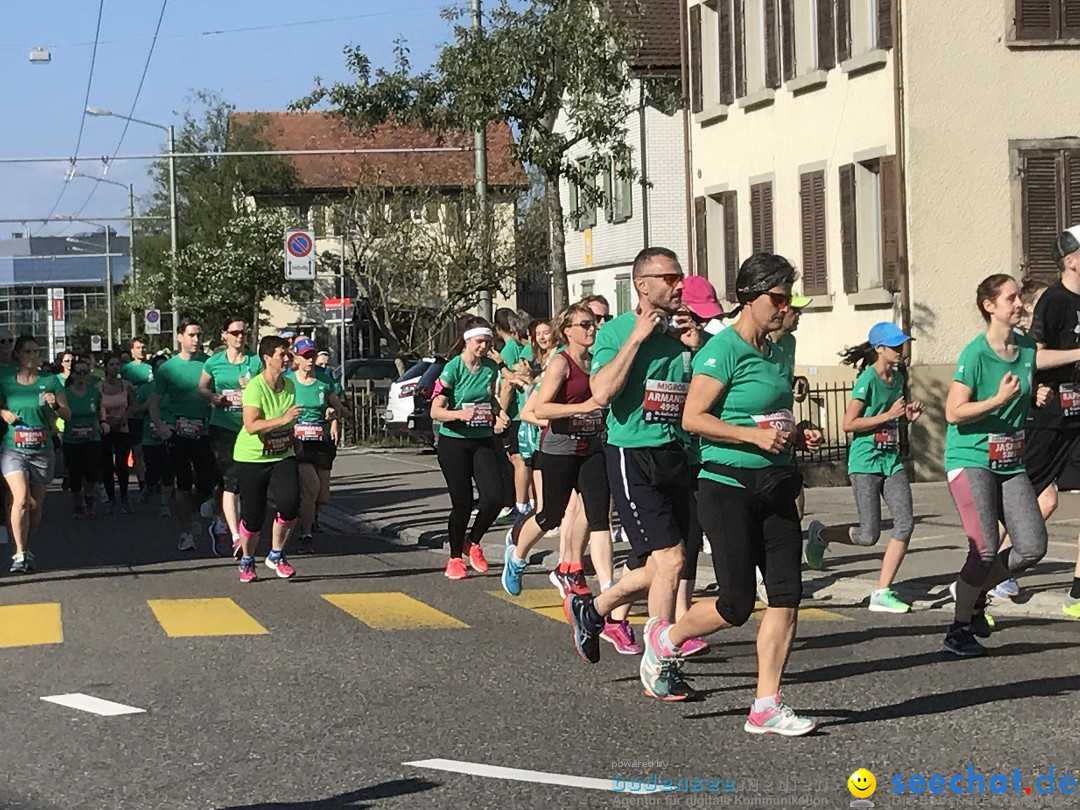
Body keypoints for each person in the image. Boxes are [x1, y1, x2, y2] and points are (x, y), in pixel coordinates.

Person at [654, 253, 822, 733]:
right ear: (749, 298)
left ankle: (766, 705)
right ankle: (666, 641)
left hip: (775, 482)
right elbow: (694, 418)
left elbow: (769, 412)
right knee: (735, 605)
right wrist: (752, 438)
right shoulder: (721, 351)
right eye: (779, 297)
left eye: (788, 297)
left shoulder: (781, 347)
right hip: (726, 486)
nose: (786, 307)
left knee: (787, 595)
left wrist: (796, 429)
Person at [565, 247, 703, 694]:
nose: (679, 285)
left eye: (681, 276)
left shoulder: (687, 332)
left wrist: (696, 349)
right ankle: (660, 664)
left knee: (668, 567)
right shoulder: (618, 332)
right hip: (631, 452)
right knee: (671, 559)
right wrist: (638, 338)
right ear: (642, 284)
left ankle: (593, 608)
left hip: (676, 454)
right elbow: (602, 393)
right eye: (670, 277)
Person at [942, 274, 1050, 653]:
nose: (1019, 304)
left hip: (1009, 460)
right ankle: (958, 629)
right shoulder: (975, 353)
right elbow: (954, 412)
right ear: (990, 306)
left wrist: (1034, 393)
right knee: (985, 549)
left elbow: (1025, 378)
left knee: (1033, 547)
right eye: (1010, 299)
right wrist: (998, 400)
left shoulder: (1025, 346)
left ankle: (971, 592)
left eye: (1019, 297)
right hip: (970, 457)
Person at [803, 323, 922, 612]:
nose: (900, 351)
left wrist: (906, 416)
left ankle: (882, 591)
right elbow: (849, 423)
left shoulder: (897, 377)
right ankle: (820, 534)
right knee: (869, 535)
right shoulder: (866, 380)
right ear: (879, 349)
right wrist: (888, 415)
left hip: (890, 460)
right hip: (865, 462)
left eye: (902, 345)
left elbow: (891, 417)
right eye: (895, 346)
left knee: (905, 523)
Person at [501, 304, 609, 602]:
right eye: (584, 324)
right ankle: (517, 555)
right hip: (559, 448)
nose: (592, 329)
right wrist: (582, 408)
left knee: (597, 513)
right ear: (567, 331)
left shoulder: (597, 360)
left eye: (594, 324)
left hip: (592, 446)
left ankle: (588, 578)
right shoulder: (561, 364)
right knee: (551, 515)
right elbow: (540, 408)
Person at [1024, 225, 1080, 619]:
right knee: (1036, 501)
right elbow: (1035, 359)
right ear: (1072, 260)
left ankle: (1077, 592)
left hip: (1079, 419)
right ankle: (994, 569)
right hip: (1049, 418)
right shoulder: (1055, 301)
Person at [429, 316, 509, 579]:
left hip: (482, 439)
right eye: (479, 342)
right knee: (462, 502)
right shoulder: (452, 369)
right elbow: (435, 411)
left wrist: (498, 413)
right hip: (454, 442)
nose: (484, 347)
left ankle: (473, 541)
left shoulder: (489, 368)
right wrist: (458, 415)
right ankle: (454, 557)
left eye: (487, 342)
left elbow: (489, 400)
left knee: (495, 497)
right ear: (467, 341)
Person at [232, 335, 302, 583]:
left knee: (290, 502)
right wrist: (281, 421)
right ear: (266, 358)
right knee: (253, 516)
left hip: (282, 453)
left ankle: (276, 554)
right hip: (251, 457)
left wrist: (292, 432)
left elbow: (289, 421)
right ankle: (248, 559)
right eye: (281, 354)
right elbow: (251, 425)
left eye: (288, 354)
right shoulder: (255, 387)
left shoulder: (290, 385)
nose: (287, 358)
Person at [0, 335, 70, 572]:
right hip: (13, 448)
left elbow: (67, 414)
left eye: (35, 352)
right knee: (20, 499)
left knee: (35, 506)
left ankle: (26, 544)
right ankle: (19, 554)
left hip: (42, 450)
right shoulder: (6, 379)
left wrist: (55, 406)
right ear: (18, 354)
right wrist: (3, 413)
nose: (32, 357)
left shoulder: (50, 381)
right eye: (27, 352)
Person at [199, 317, 263, 557]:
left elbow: (265, 388)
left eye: (243, 333)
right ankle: (236, 536)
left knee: (249, 479)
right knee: (231, 478)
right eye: (235, 332)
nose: (239, 337)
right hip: (223, 427)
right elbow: (203, 387)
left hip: (249, 427)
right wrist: (213, 398)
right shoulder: (214, 362)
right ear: (224, 335)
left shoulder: (255, 362)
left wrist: (252, 388)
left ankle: (228, 524)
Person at [149, 319, 214, 552]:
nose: (196, 340)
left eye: (199, 335)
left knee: (208, 481)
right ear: (180, 337)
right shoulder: (168, 368)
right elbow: (154, 403)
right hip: (178, 431)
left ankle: (192, 509)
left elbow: (216, 393)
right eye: (191, 335)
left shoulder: (209, 363)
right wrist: (160, 425)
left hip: (204, 430)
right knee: (184, 481)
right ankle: (186, 532)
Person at [291, 337, 343, 554]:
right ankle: (306, 534)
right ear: (296, 358)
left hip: (321, 442)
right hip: (299, 442)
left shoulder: (324, 381)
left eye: (312, 356)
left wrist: (334, 416)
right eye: (305, 357)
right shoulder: (288, 382)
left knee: (322, 496)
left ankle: (306, 515)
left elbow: (341, 408)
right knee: (310, 488)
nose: (310, 361)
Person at [494, 307, 533, 525]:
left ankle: (522, 505)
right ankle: (529, 503)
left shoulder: (510, 349)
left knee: (519, 459)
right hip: (523, 413)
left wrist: (501, 412)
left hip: (517, 413)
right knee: (525, 460)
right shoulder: (518, 349)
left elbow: (508, 384)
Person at [134, 354, 174, 518]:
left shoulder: (175, 388)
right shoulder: (146, 389)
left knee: (169, 470)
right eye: (159, 368)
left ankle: (164, 504)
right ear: (154, 370)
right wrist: (147, 405)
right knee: (153, 470)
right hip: (150, 436)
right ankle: (149, 487)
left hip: (171, 433)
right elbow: (135, 411)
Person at [99, 354, 136, 513]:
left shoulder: (126, 385)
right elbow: (96, 406)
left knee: (122, 464)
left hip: (122, 427)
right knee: (107, 465)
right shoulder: (99, 387)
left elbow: (133, 404)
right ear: (106, 367)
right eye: (112, 364)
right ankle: (111, 498)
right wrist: (104, 421)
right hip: (106, 428)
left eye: (117, 364)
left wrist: (124, 417)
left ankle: (124, 496)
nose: (115, 367)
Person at [121, 336, 154, 493]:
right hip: (134, 414)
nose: (142, 350)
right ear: (132, 350)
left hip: (150, 414)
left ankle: (152, 479)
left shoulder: (151, 368)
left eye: (143, 347)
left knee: (150, 449)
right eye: (138, 347)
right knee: (137, 449)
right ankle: (142, 481)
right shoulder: (127, 369)